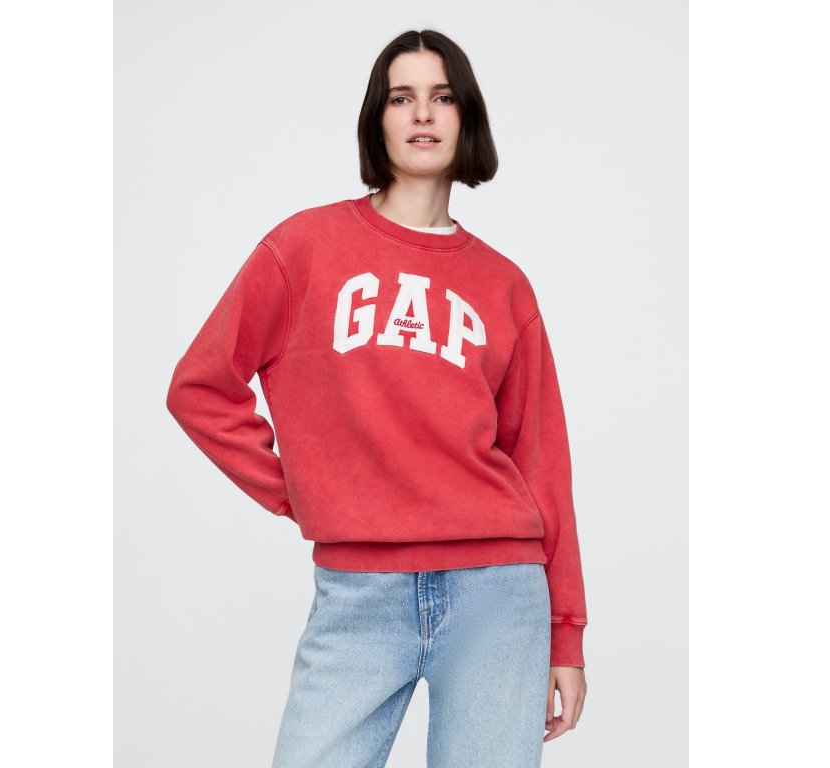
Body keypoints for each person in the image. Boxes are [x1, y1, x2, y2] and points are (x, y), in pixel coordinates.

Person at [166, 28, 588, 768]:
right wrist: (298, 489)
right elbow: (200, 388)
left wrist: (567, 634)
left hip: (498, 592)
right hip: (358, 593)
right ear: (377, 118)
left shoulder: (504, 286)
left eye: (442, 96)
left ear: (466, 117)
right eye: (402, 97)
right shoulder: (303, 249)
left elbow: (542, 461)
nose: (422, 113)